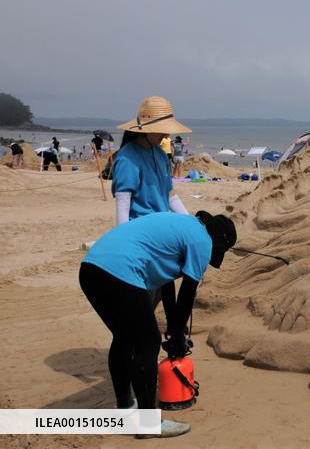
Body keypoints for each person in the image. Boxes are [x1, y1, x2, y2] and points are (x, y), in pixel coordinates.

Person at [79, 210, 237, 437]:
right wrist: (178, 338)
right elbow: (188, 292)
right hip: (120, 270)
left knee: (125, 338)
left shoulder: (184, 226)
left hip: (91, 269)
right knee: (148, 342)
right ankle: (149, 424)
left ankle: (125, 409)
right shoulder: (202, 240)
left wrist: (175, 329)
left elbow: (168, 287)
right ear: (219, 241)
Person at [114, 96, 192, 226]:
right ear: (145, 130)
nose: (166, 135)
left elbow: (170, 194)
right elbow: (123, 202)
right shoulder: (127, 158)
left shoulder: (161, 154)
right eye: (161, 130)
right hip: (140, 228)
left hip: (161, 224)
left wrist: (189, 221)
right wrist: (122, 237)